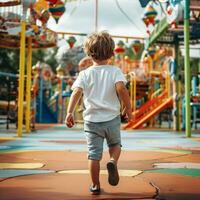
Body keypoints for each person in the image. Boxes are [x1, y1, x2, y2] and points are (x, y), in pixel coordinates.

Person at [65, 31, 132, 195]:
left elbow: (76, 93)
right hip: (112, 119)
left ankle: (95, 185)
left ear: (89, 53)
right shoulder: (114, 71)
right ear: (111, 52)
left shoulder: (85, 74)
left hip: (91, 121)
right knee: (115, 145)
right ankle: (112, 161)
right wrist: (127, 108)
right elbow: (122, 89)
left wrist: (69, 113)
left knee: (93, 155)